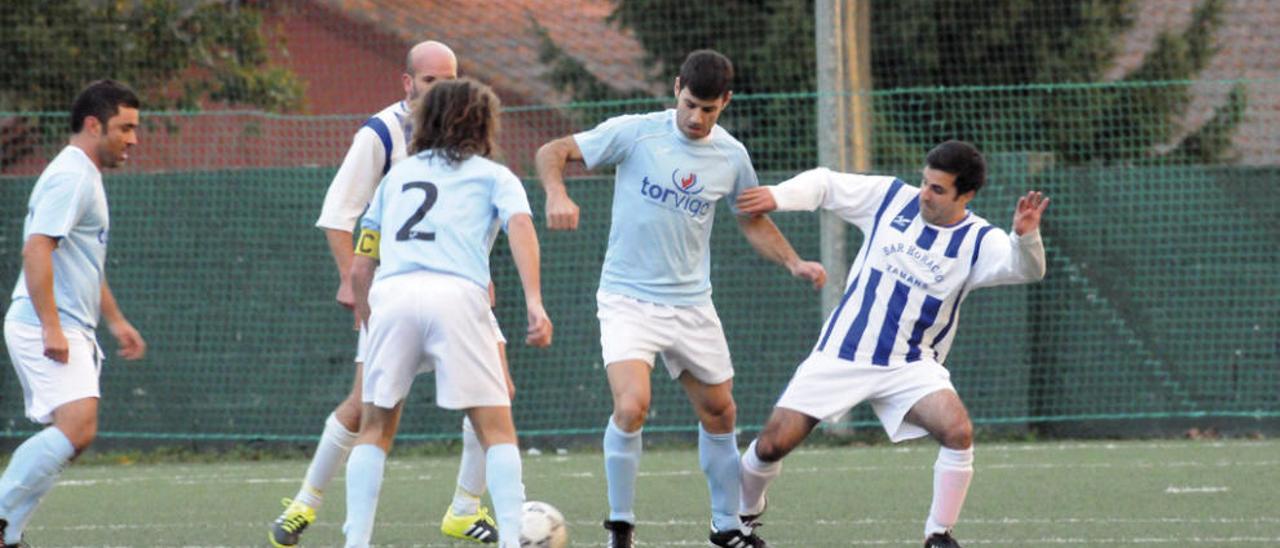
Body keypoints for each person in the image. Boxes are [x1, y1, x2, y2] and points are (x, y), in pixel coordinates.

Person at [535, 49, 826, 548]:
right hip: (628, 299)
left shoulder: (732, 156)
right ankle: (620, 527)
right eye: (690, 104)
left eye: (709, 109)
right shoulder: (636, 132)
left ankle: (726, 524)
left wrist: (793, 261)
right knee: (632, 406)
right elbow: (553, 151)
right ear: (676, 89)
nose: (696, 117)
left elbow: (750, 218)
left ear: (725, 103)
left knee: (721, 413)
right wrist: (556, 193)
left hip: (692, 305)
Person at [733, 141, 1050, 548]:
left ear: (965, 195)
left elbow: (1027, 269)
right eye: (924, 182)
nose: (925, 193)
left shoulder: (978, 241)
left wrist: (1026, 238)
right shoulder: (890, 198)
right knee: (772, 443)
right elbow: (826, 185)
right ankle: (740, 517)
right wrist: (778, 196)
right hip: (843, 352)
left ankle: (938, 534)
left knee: (957, 430)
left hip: (911, 365)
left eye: (938, 189)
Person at [271, 40, 512, 546]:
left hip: (456, 289)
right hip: (395, 290)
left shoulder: (462, 129)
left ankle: (465, 508)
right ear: (407, 84)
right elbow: (338, 213)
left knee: (499, 393)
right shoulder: (380, 134)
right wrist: (353, 281)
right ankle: (304, 503)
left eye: (448, 78)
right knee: (364, 407)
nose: (441, 88)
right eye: (429, 80)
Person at [341, 77, 552, 548]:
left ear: (427, 120)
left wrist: (372, 321)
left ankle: (355, 543)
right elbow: (520, 226)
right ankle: (513, 539)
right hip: (458, 295)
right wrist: (534, 302)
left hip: (393, 294)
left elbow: (361, 263)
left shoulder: (396, 177)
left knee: (375, 428)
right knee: (496, 427)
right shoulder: (495, 176)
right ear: (482, 123)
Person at [0, 79, 147, 547]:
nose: (133, 139)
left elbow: (83, 262)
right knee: (77, 427)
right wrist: (51, 326)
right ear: (92, 124)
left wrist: (116, 319)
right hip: (43, 321)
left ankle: (11, 532)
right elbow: (37, 249)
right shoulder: (72, 175)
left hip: (70, 323)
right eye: (124, 128)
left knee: (75, 435)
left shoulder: (84, 175)